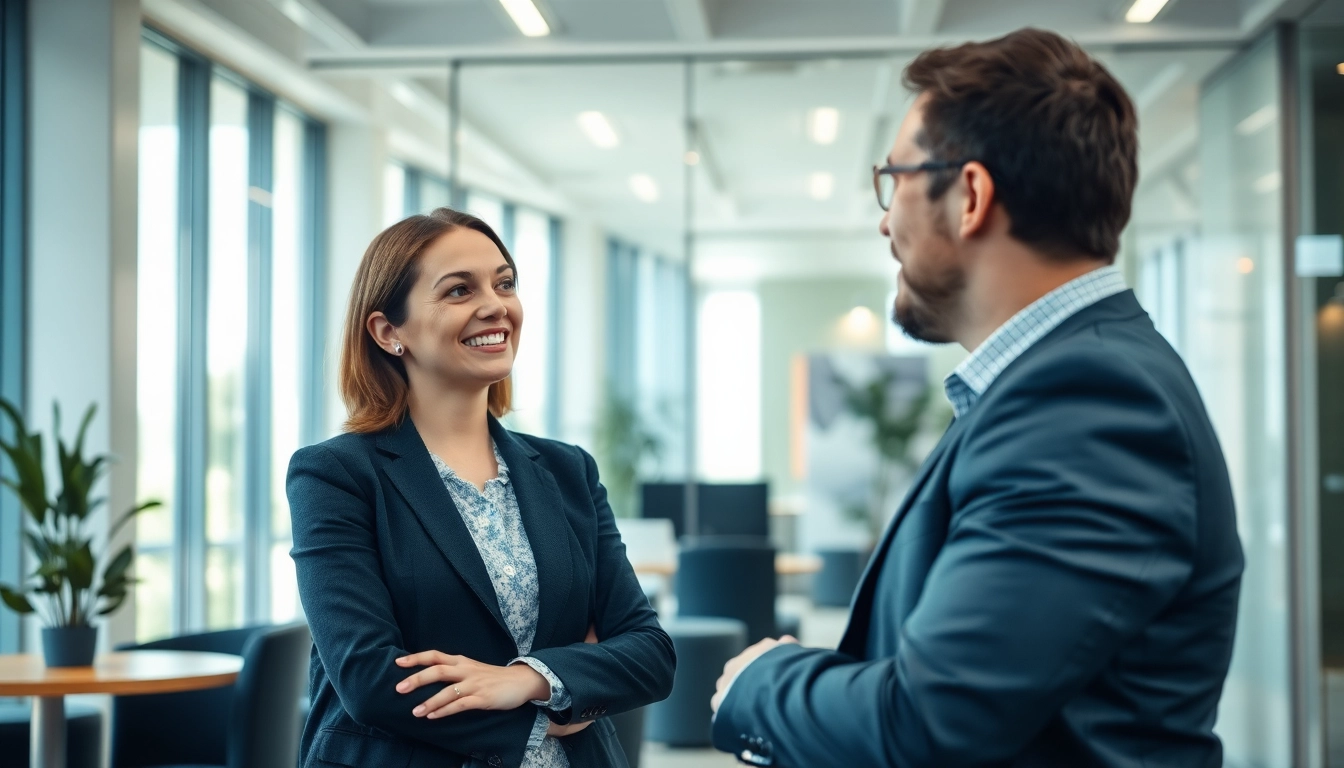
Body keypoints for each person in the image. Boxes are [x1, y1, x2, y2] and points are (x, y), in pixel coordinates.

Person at [710, 28, 1244, 768]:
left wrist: (762, 681)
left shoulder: (1086, 401)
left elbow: (931, 721)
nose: (884, 220)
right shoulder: (1065, 383)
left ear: (968, 196)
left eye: (894, 180)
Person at [287, 208, 675, 768]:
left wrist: (527, 680)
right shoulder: (335, 475)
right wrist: (557, 706)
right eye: (459, 290)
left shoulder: (568, 470)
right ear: (389, 332)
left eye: (504, 283)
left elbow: (648, 652)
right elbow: (369, 679)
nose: (496, 305)